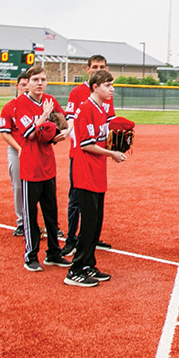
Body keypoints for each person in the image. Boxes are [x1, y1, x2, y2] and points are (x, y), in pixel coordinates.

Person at [64, 70, 128, 287]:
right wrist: (112, 154)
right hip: (85, 174)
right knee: (89, 223)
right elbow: (86, 145)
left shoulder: (101, 109)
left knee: (96, 222)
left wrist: (117, 145)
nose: (112, 89)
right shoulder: (86, 110)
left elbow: (101, 140)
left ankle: (88, 263)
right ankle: (75, 269)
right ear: (95, 87)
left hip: (98, 173)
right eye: (108, 85)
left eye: (112, 85)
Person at [15, 65, 71, 271]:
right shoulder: (20, 103)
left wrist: (63, 132)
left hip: (48, 165)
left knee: (51, 212)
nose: (40, 83)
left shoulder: (50, 100)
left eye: (43, 79)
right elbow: (29, 133)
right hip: (30, 167)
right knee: (30, 214)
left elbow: (63, 122)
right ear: (28, 82)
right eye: (36, 79)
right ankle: (31, 256)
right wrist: (44, 115)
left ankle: (54, 253)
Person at [63, 54, 115, 257]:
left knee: (95, 203)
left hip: (97, 154)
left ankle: (92, 238)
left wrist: (114, 142)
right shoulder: (79, 93)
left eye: (101, 66)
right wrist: (84, 142)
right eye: (94, 66)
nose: (97, 69)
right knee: (77, 199)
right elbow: (71, 122)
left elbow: (108, 123)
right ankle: (71, 239)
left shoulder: (105, 96)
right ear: (88, 70)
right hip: (81, 153)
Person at [0, 72, 31, 236]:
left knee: (42, 188)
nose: (26, 88)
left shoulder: (36, 105)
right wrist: (19, 149)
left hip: (35, 151)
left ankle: (45, 223)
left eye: (28, 84)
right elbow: (5, 133)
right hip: (16, 149)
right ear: (17, 86)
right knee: (18, 187)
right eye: (23, 84)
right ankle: (21, 222)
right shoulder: (9, 107)